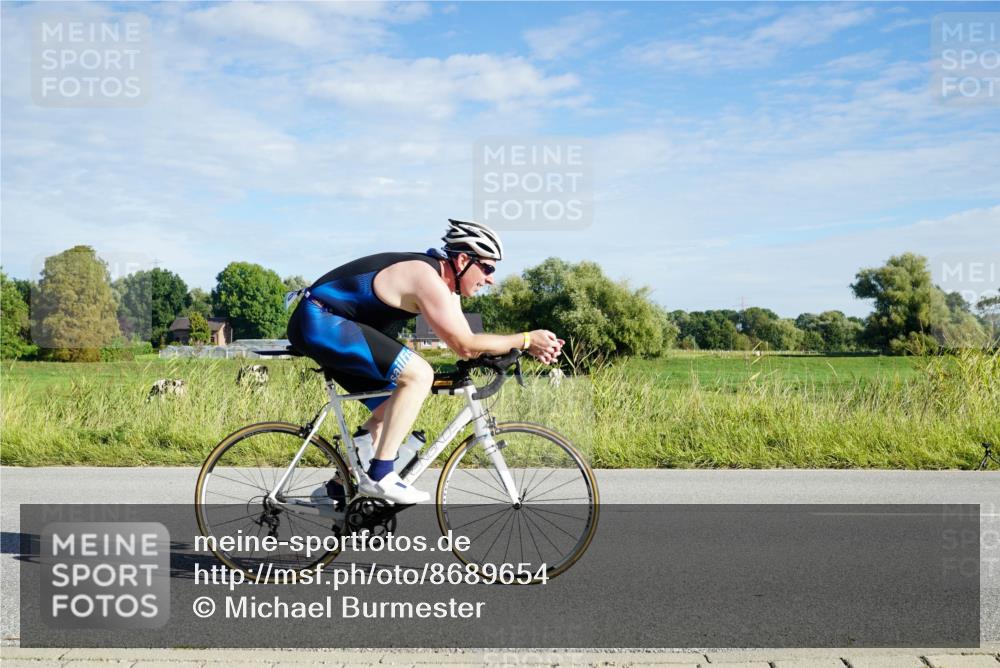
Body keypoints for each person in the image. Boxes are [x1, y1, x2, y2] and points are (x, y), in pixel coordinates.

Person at [286, 219, 564, 504]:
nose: (491, 278)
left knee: (391, 405)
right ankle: (381, 475)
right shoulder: (426, 278)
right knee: (419, 374)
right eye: (488, 267)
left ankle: (337, 487)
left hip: (332, 324)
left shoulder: (446, 287)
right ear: (464, 260)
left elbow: (467, 341)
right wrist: (526, 339)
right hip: (319, 320)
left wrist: (524, 348)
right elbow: (465, 346)